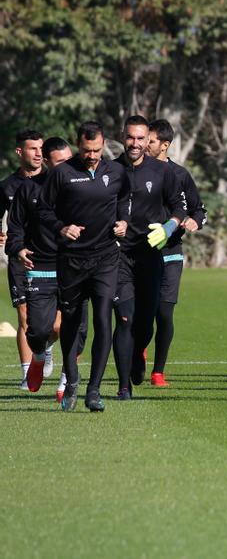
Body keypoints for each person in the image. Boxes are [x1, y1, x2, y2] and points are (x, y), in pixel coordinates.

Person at [38, 121, 131, 411]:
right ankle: (72, 376)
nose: (92, 155)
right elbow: (43, 208)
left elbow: (125, 198)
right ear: (79, 145)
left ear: (103, 145)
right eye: (87, 150)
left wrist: (123, 221)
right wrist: (61, 228)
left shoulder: (116, 171)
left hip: (105, 258)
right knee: (71, 322)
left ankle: (94, 390)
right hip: (72, 259)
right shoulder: (62, 173)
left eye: (97, 150)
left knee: (104, 318)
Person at [112, 115, 186, 400]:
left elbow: (180, 206)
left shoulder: (162, 171)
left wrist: (168, 227)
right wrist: (111, 226)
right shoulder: (111, 170)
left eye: (141, 138)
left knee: (145, 325)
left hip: (150, 257)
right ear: (123, 137)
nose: (135, 143)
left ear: (147, 141)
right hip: (118, 257)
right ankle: (123, 386)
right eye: (130, 137)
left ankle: (137, 356)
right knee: (125, 320)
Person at [5, 137, 74, 396]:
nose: (69, 167)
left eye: (70, 160)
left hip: (74, 266)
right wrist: (18, 247)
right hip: (38, 267)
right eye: (62, 163)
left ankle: (68, 383)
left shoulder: (81, 187)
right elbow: (15, 228)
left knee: (68, 325)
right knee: (37, 328)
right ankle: (38, 355)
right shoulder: (27, 189)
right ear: (47, 163)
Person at [145, 119, 207, 386]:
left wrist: (194, 221)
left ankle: (158, 370)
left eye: (151, 140)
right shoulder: (132, 171)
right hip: (139, 255)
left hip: (171, 254)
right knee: (139, 315)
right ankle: (138, 348)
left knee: (164, 314)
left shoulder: (180, 174)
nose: (145, 144)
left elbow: (199, 209)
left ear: (164, 146)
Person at [2, 129, 49, 389]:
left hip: (51, 259)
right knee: (24, 315)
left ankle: (43, 348)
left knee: (51, 321)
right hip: (20, 259)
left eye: (41, 148)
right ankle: (27, 372)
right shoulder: (7, 186)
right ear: (20, 152)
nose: (39, 153)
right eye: (33, 148)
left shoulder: (53, 181)